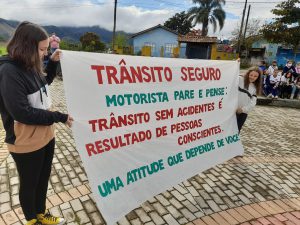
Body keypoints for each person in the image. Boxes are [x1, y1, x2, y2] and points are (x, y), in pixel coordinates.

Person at [0, 22, 73, 225]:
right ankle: (32, 220)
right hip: (24, 139)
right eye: (42, 50)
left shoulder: (30, 63)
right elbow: (22, 113)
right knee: (30, 183)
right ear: (27, 47)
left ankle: (41, 214)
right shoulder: (9, 71)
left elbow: (43, 84)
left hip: (46, 134)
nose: (44, 54)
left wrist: (53, 63)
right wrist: (59, 116)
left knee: (42, 180)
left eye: (46, 49)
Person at [236, 66, 261, 132]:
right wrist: (235, 65)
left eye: (255, 76)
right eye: (251, 75)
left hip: (243, 113)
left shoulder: (255, 88)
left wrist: (243, 109)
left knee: (236, 131)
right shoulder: (239, 79)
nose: (252, 77)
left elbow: (253, 103)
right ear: (248, 74)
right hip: (232, 110)